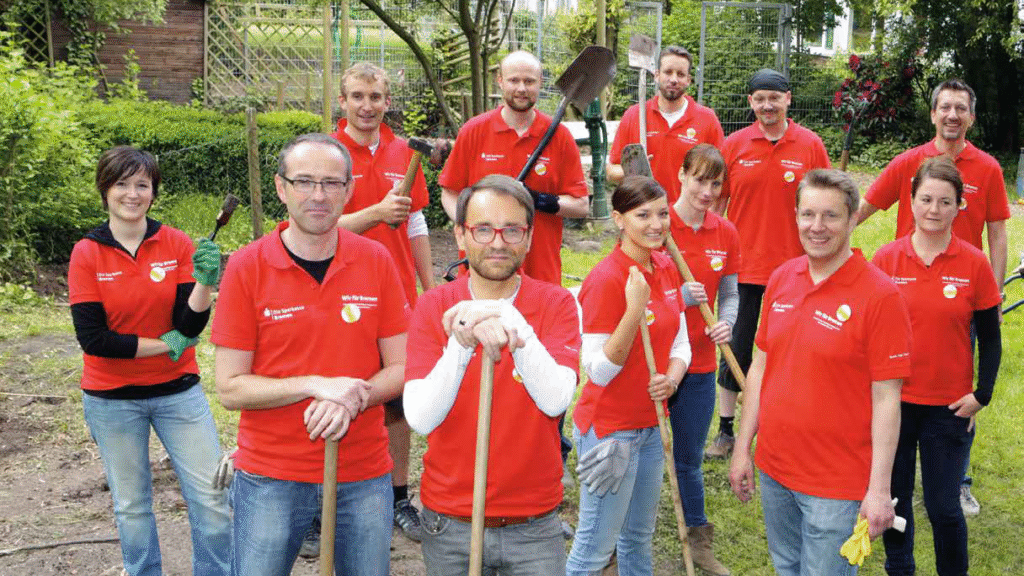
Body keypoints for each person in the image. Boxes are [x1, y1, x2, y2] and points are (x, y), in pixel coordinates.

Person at [211, 133, 408, 576]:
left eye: (331, 183)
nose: (317, 195)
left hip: (363, 471)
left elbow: (402, 367)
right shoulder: (248, 266)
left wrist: (353, 397)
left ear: (349, 190)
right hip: (270, 475)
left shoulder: (375, 260)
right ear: (281, 188)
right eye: (304, 182)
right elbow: (230, 387)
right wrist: (314, 385)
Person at [728, 169, 912, 576]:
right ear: (795, 217)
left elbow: (887, 399)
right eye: (807, 214)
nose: (817, 227)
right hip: (775, 470)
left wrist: (879, 490)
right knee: (787, 568)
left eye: (830, 216)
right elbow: (760, 367)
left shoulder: (881, 296)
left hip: (837, 485)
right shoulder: (781, 279)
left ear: (852, 220)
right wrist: (743, 447)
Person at [404, 174, 581, 575]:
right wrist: (461, 344)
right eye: (482, 229)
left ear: (530, 237)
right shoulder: (434, 306)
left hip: (534, 524)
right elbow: (419, 417)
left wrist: (505, 316)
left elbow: (555, 400)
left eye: (512, 230)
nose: (498, 242)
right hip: (451, 521)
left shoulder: (557, 304)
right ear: (461, 236)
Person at [68, 145, 231, 576]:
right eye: (122, 183)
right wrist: (169, 344)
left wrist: (204, 283)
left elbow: (187, 322)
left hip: (178, 392)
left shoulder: (174, 241)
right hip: (111, 399)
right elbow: (95, 340)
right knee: (132, 506)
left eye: (142, 184)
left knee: (214, 498)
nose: (132, 193)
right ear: (105, 190)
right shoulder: (87, 252)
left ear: (154, 192)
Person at [856, 79, 1010, 516]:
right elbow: (865, 206)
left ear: (971, 117)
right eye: (945, 107)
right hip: (906, 294)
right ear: (933, 114)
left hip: (962, 297)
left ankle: (956, 480)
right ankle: (887, 474)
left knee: (958, 387)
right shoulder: (908, 163)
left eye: (961, 108)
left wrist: (993, 295)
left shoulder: (988, 169)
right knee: (896, 389)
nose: (952, 115)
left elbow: (998, 231)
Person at [871, 157, 1002, 576]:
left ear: (959, 206)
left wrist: (982, 393)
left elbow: (991, 335)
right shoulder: (886, 260)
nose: (934, 209)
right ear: (910, 201)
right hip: (894, 403)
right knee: (895, 499)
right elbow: (866, 334)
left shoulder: (974, 263)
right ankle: (900, 568)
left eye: (945, 202)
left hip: (949, 407)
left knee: (944, 507)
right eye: (925, 199)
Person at [330, 61, 434, 542]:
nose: (366, 106)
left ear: (387, 101)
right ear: (343, 101)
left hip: (395, 296)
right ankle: (319, 500)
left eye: (375, 97)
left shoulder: (401, 153)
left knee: (396, 400)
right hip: (336, 293)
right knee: (332, 390)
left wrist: (429, 285)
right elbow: (314, 227)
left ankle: (398, 496)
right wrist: (374, 212)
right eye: (357, 97)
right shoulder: (327, 156)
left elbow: (415, 224)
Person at [566, 175, 691, 576]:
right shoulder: (605, 279)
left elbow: (681, 345)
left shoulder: (667, 266)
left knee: (638, 537)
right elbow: (598, 373)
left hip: (653, 427)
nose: (656, 224)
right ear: (619, 220)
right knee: (594, 546)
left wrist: (671, 379)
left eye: (662, 213)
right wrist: (634, 309)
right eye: (643, 215)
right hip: (610, 432)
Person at [706, 68, 831, 459]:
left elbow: (828, 203)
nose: (767, 105)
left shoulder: (809, 145)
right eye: (759, 99)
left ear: (788, 99)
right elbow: (718, 203)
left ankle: (789, 425)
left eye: (774, 98)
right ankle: (727, 431)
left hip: (796, 269)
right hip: (742, 268)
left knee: (791, 350)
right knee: (735, 346)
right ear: (750, 103)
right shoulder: (734, 145)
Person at [438, 50, 589, 285]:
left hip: (540, 271)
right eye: (514, 80)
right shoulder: (474, 131)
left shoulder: (559, 136)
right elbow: (449, 192)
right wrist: (469, 228)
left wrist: (538, 199)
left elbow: (580, 205)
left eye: (529, 81)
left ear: (540, 83)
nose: (521, 88)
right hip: (482, 270)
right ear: (500, 80)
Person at [666, 144, 739, 576]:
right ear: (681, 175)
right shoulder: (657, 224)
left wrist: (725, 323)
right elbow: (631, 293)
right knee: (637, 457)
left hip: (698, 365)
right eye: (699, 180)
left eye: (715, 183)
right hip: (653, 363)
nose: (707, 191)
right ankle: (614, 543)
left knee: (688, 458)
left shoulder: (725, 232)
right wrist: (676, 298)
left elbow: (728, 294)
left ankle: (697, 544)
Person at [607, 45, 725, 205]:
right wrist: (634, 169)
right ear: (656, 75)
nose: (674, 79)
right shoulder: (634, 115)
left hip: (687, 218)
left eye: (681, 74)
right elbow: (611, 172)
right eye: (668, 72)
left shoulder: (707, 119)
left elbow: (720, 176)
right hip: (643, 215)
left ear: (688, 80)